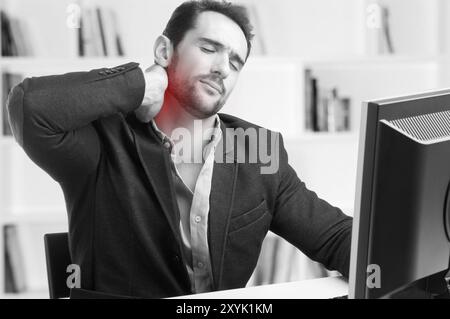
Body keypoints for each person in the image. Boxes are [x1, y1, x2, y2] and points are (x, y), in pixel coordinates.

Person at [6, 0, 352, 298]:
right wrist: (140, 82)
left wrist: (393, 260)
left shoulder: (257, 149)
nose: (222, 69)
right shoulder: (103, 141)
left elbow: (335, 237)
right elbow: (29, 107)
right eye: (209, 48)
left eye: (235, 62)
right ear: (164, 51)